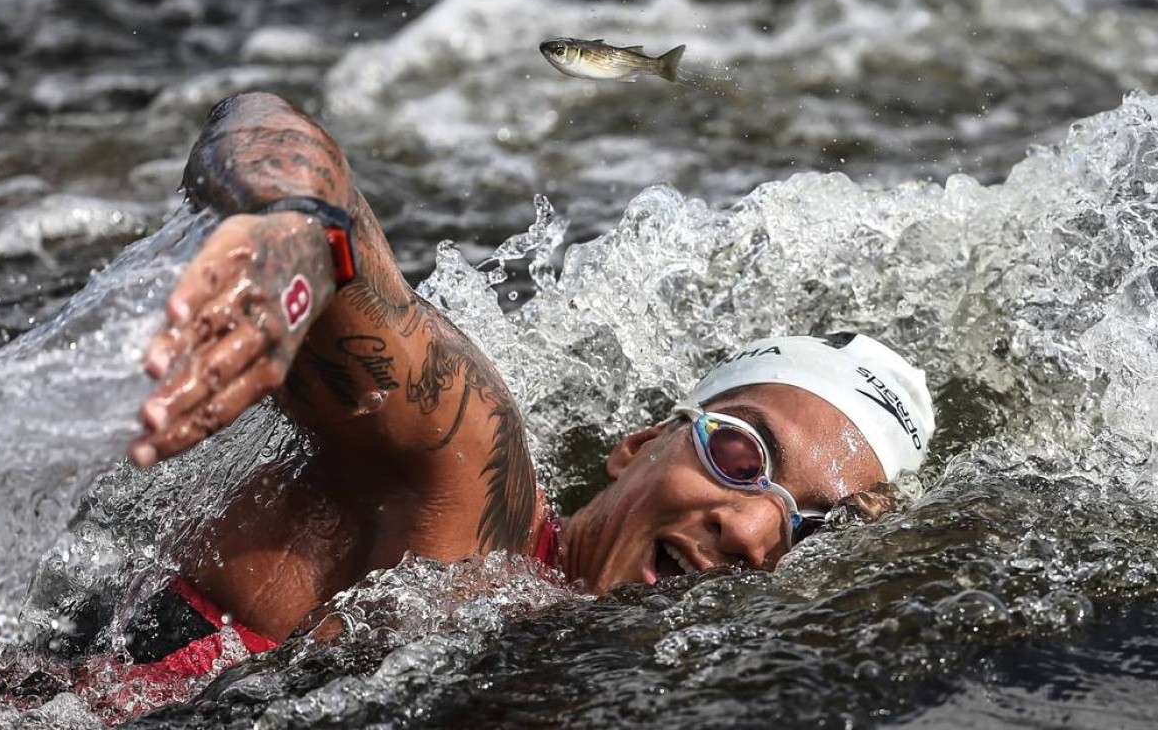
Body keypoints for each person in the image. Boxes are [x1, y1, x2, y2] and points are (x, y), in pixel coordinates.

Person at [112, 91, 935, 678]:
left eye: (810, 529)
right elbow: (274, 126)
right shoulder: (464, 485)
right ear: (639, 444)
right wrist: (297, 227)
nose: (755, 529)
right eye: (739, 451)